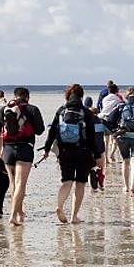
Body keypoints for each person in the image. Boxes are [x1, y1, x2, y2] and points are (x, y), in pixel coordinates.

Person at [42, 84, 102, 223]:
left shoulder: (61, 110)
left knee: (66, 181)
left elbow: (52, 132)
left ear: (68, 95)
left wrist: (46, 149)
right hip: (83, 152)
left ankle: (60, 205)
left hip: (64, 152)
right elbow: (92, 136)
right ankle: (74, 216)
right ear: (81, 96)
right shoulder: (86, 112)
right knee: (80, 184)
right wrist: (97, 156)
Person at [0, 87, 45, 226]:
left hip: (8, 149)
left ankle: (20, 212)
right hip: (25, 149)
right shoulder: (32, 109)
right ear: (28, 97)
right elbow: (40, 130)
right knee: (21, 183)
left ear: (14, 96)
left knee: (14, 183)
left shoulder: (5, 109)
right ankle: (13, 215)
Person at [112, 87, 134, 194]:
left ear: (126, 95)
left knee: (125, 161)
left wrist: (115, 132)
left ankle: (126, 187)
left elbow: (111, 119)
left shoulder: (121, 105)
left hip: (123, 136)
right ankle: (133, 186)